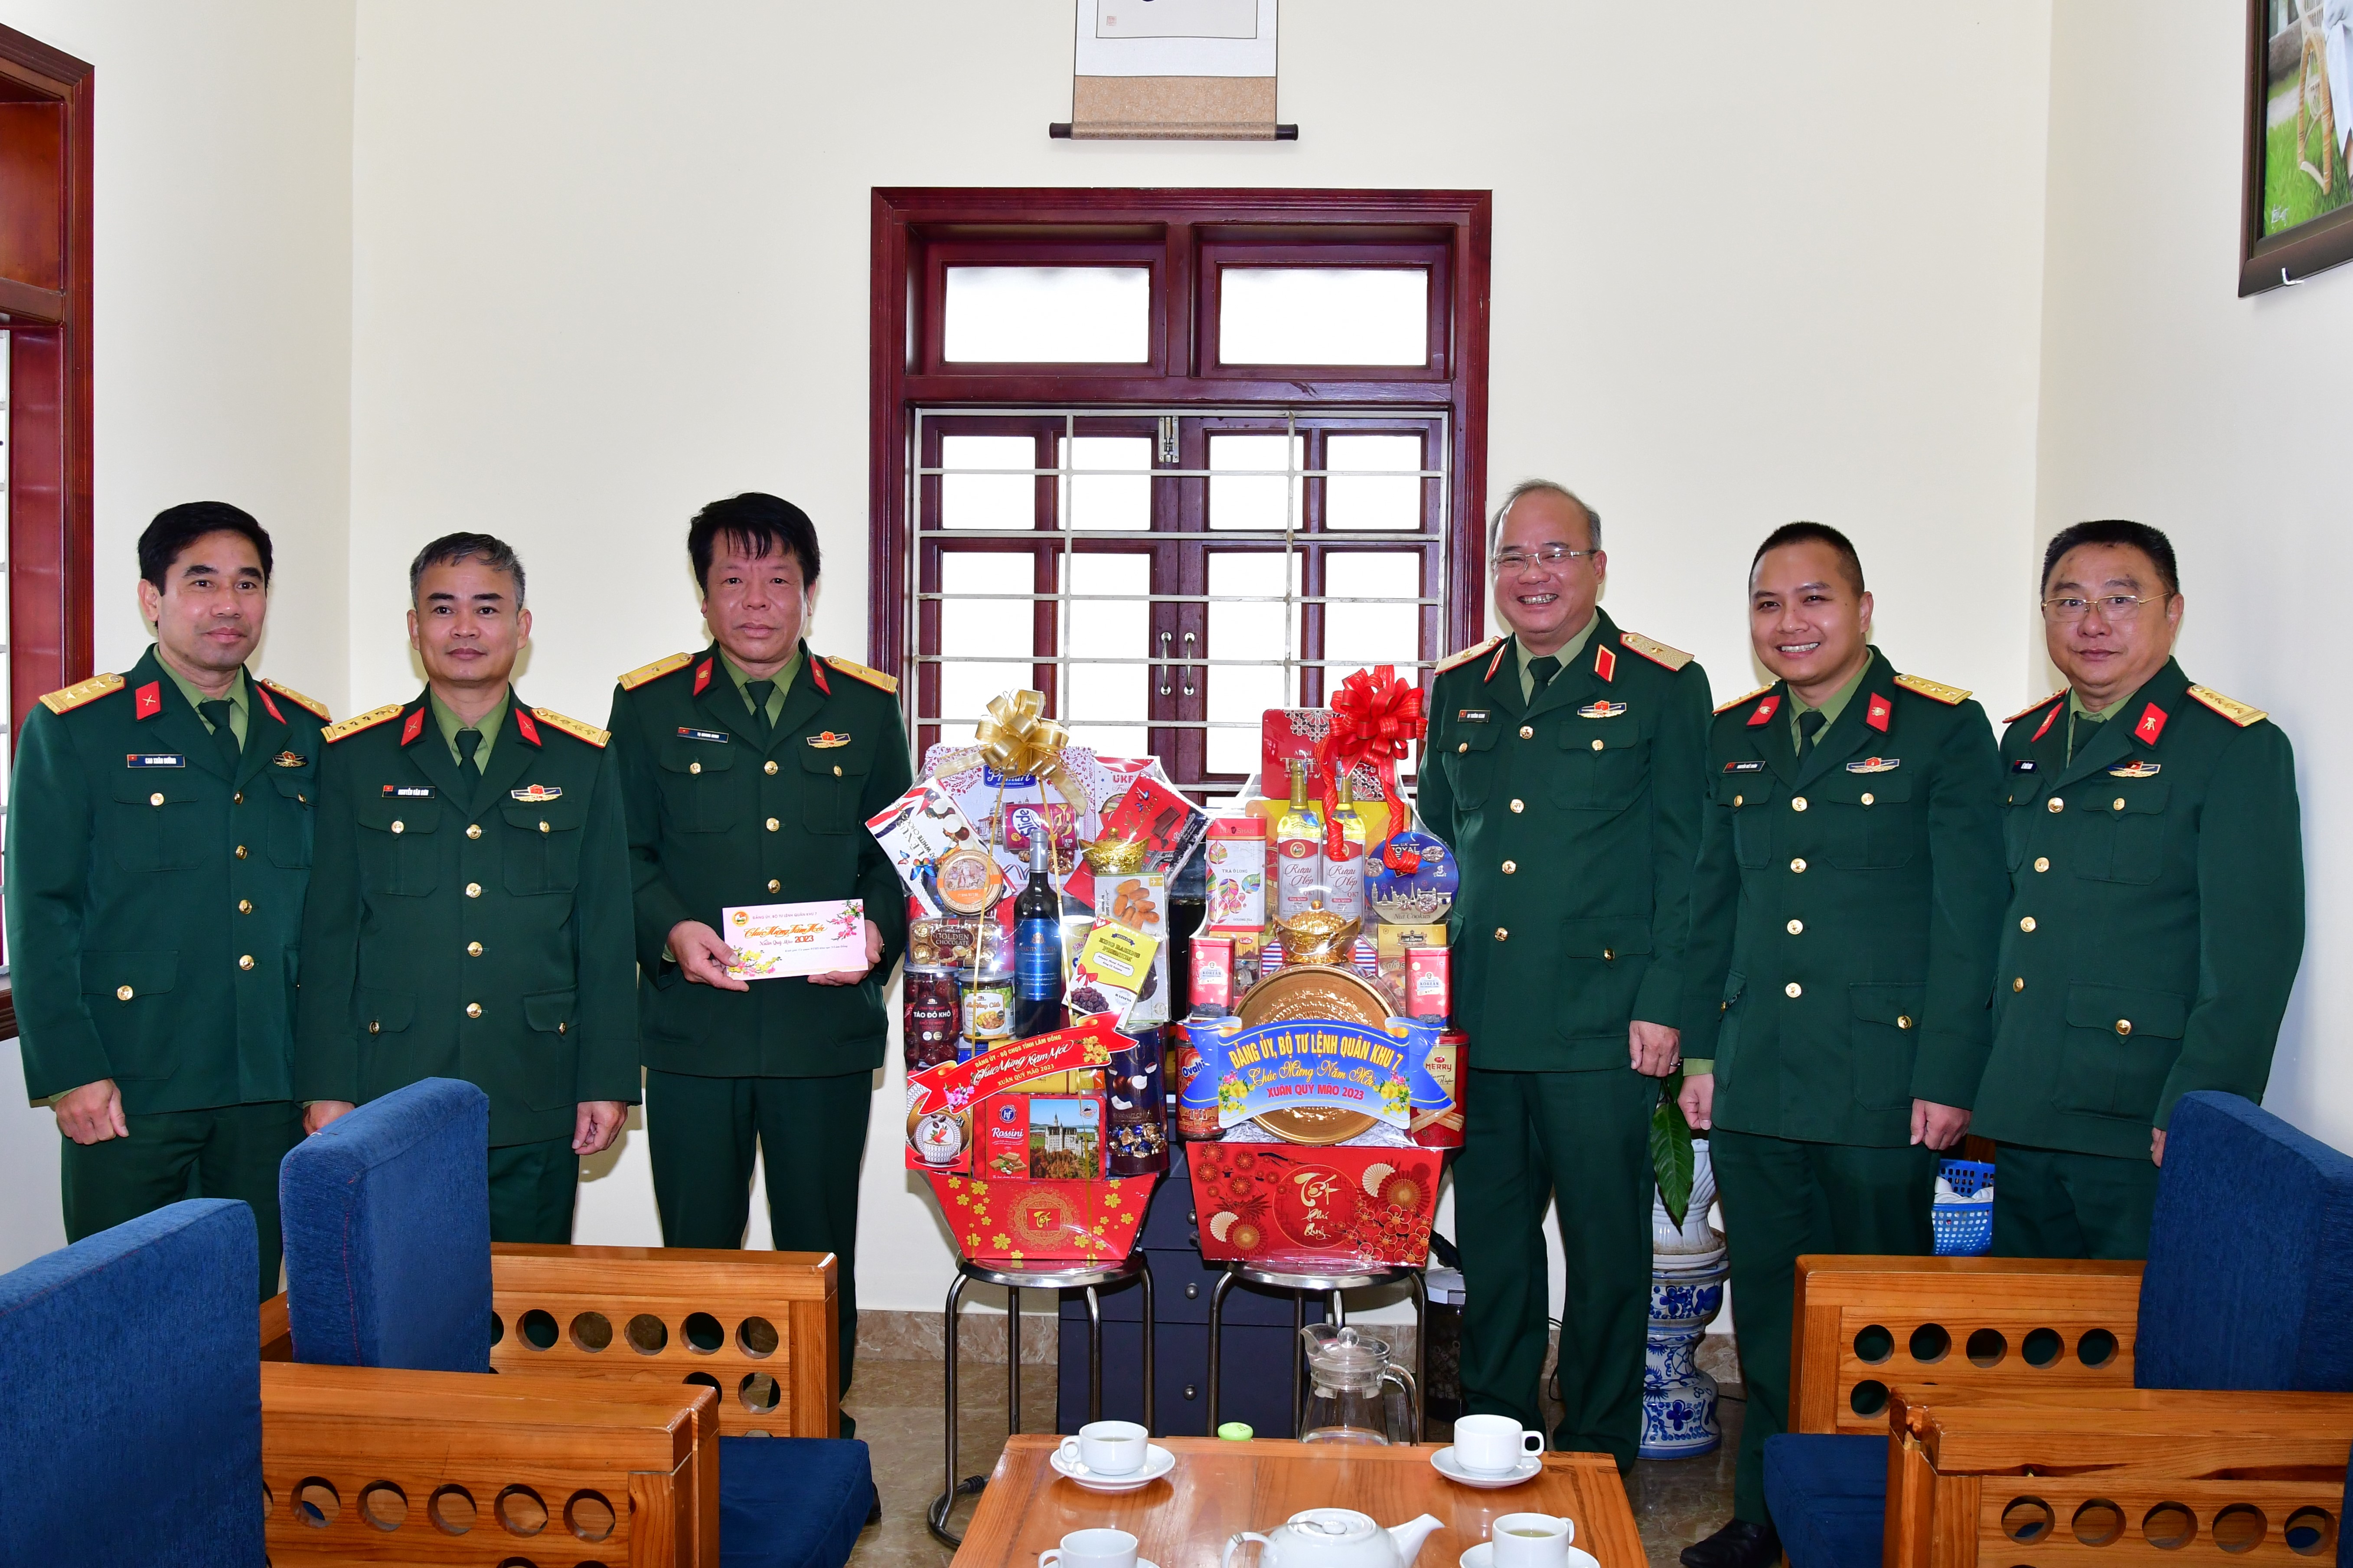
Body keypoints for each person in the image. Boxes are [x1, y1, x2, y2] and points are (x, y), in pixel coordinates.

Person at [1674, 523, 2005, 1568]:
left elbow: (1970, 917)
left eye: (1813, 599)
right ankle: (1763, 1511)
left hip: (1883, 1082)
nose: (1790, 623)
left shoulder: (1939, 728)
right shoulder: (1734, 735)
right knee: (1772, 1312)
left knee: (1880, 1317)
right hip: (1759, 1072)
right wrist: (1699, 1056)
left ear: (1862, 610)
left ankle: (1875, 1516)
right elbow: (1710, 903)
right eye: (1767, 603)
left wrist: (1948, 1072)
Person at [1416, 480, 1711, 1471]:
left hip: (1603, 1023)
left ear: (1596, 568)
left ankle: (1592, 1456)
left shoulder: (1662, 685)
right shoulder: (1460, 686)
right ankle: (1493, 1439)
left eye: (1555, 554)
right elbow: (1433, 857)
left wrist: (1665, 1004)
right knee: (1494, 1251)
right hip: (1482, 1020)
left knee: (1606, 1255)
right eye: (1513, 556)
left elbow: (1687, 861)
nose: (1532, 574)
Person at [607, 493, 911, 1428]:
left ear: (809, 592)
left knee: (818, 1246)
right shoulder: (649, 706)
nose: (755, 601)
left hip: (821, 1032)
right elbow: (622, 854)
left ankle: (817, 1420)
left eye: (777, 580)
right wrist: (671, 930)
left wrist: (876, 935)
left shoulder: (864, 707)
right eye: (732, 579)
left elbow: (896, 856)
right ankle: (701, 1423)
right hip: (695, 1032)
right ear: (703, 595)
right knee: (699, 1250)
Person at [5, 502, 331, 1301]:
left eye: (248, 584)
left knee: (246, 1306)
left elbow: (327, 916)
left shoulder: (306, 734)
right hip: (129, 1085)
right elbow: (40, 910)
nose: (229, 605)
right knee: (117, 1310)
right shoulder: (78, 728)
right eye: (202, 582)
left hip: (267, 1085)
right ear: (153, 598)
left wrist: (327, 1073)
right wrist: (71, 1072)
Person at [294, 532, 637, 1242]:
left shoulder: (582, 761)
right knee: (399, 1288)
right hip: (392, 1088)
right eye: (443, 608)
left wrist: (605, 1080)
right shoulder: (356, 757)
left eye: (487, 608)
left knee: (527, 1293)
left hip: (535, 1082)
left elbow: (605, 935)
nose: (465, 628)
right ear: (414, 626)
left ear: (522, 625)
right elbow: (329, 934)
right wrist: (327, 1084)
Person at [1976, 519, 2303, 1259]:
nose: (2092, 624)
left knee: (2137, 1322)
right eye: (2069, 602)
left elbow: (2254, 952)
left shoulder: (2233, 746)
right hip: (2023, 1104)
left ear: (2173, 611)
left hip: (2140, 1114)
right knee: (2025, 1319)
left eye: (2120, 600)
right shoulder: (2026, 741)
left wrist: (2203, 1103)